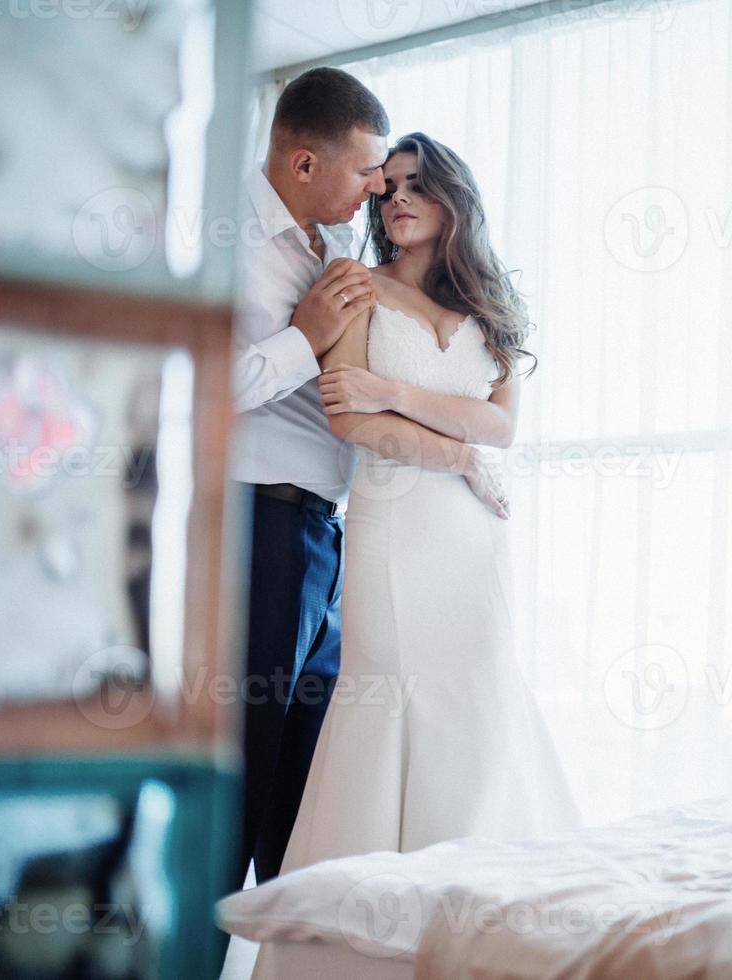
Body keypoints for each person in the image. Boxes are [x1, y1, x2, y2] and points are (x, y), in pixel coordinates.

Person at [272, 131, 580, 877]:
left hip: (473, 533)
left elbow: (501, 426)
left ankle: (472, 891)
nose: (400, 198)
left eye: (418, 185)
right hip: (396, 525)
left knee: (476, 686)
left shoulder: (493, 307)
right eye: (392, 187)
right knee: (389, 692)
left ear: (454, 199)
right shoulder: (356, 284)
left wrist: (396, 393)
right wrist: (455, 449)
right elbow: (348, 417)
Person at [229, 70, 506, 886]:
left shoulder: (344, 245)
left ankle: (292, 956)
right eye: (369, 175)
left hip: (337, 530)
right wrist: (304, 337)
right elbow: (197, 393)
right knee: (248, 759)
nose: (379, 191)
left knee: (312, 777)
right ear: (307, 165)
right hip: (257, 521)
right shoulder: (223, 246)